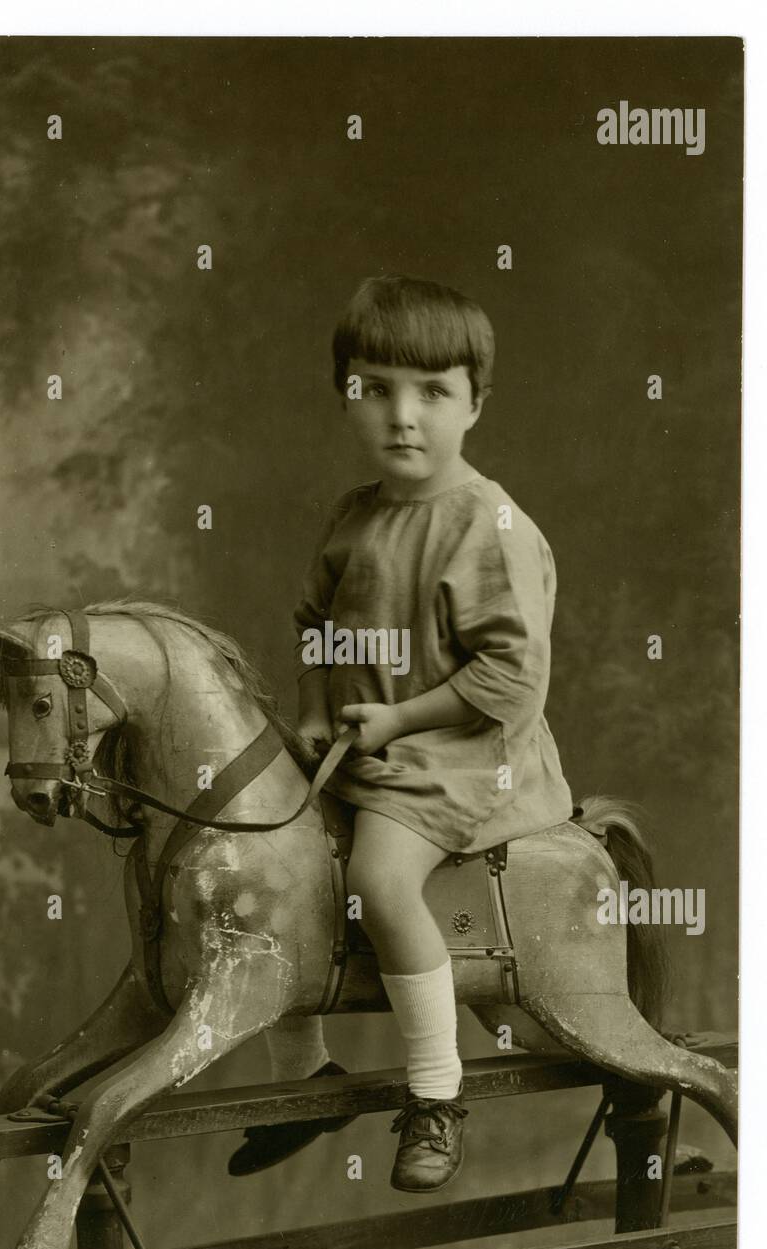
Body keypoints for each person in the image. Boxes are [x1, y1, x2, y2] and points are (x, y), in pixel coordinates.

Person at [229, 273, 573, 1190]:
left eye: (432, 392)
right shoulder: (353, 515)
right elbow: (314, 625)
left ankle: (434, 1096)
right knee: (268, 864)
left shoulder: (489, 526)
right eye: (373, 389)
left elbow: (509, 677)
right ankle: (300, 1078)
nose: (402, 416)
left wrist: (399, 717)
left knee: (381, 880)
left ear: (475, 403)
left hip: (460, 759)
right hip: (362, 747)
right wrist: (310, 710)